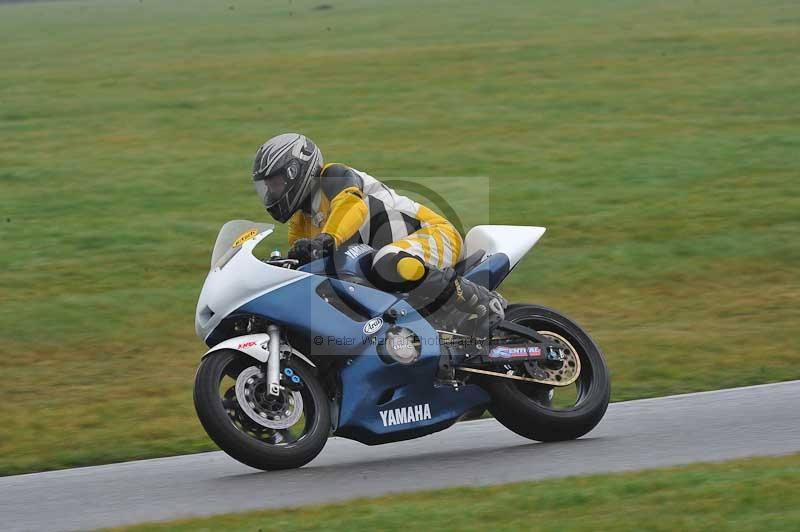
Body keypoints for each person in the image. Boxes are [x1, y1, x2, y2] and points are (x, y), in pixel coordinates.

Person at [252, 133, 506, 333]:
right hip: (391, 262)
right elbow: (303, 264)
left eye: (275, 184)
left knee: (387, 261)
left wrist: (327, 239)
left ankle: (479, 298)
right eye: (267, 187)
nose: (271, 193)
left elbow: (351, 206)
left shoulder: (334, 176)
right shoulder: (301, 220)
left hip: (435, 235)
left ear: (295, 171)